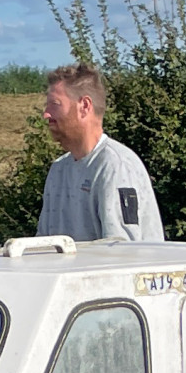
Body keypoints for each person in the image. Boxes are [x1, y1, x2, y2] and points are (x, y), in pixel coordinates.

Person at [37, 62, 164, 243]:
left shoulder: (115, 166)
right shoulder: (58, 170)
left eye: (55, 105)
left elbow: (122, 253)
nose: (46, 114)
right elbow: (43, 246)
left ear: (84, 106)